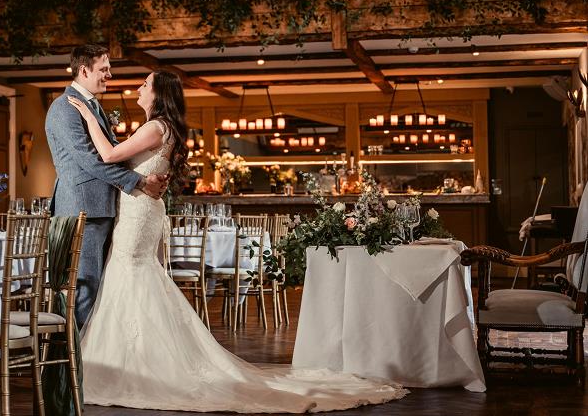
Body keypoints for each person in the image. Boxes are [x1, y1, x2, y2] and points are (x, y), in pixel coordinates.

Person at [68, 70, 407, 413]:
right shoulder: (160, 128)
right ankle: (135, 359)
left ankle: (131, 364)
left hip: (139, 212)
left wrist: (86, 115)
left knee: (131, 273)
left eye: (145, 84)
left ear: (158, 93)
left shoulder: (155, 127)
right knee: (136, 275)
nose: (139, 88)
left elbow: (110, 156)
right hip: (141, 208)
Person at [45, 44, 169, 328]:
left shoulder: (92, 105)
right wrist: (138, 181)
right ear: (84, 69)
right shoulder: (64, 107)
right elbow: (90, 161)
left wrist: (150, 169)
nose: (109, 75)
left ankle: (88, 361)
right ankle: (78, 365)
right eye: (104, 69)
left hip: (100, 208)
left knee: (98, 287)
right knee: (84, 289)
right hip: (81, 209)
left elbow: (113, 150)